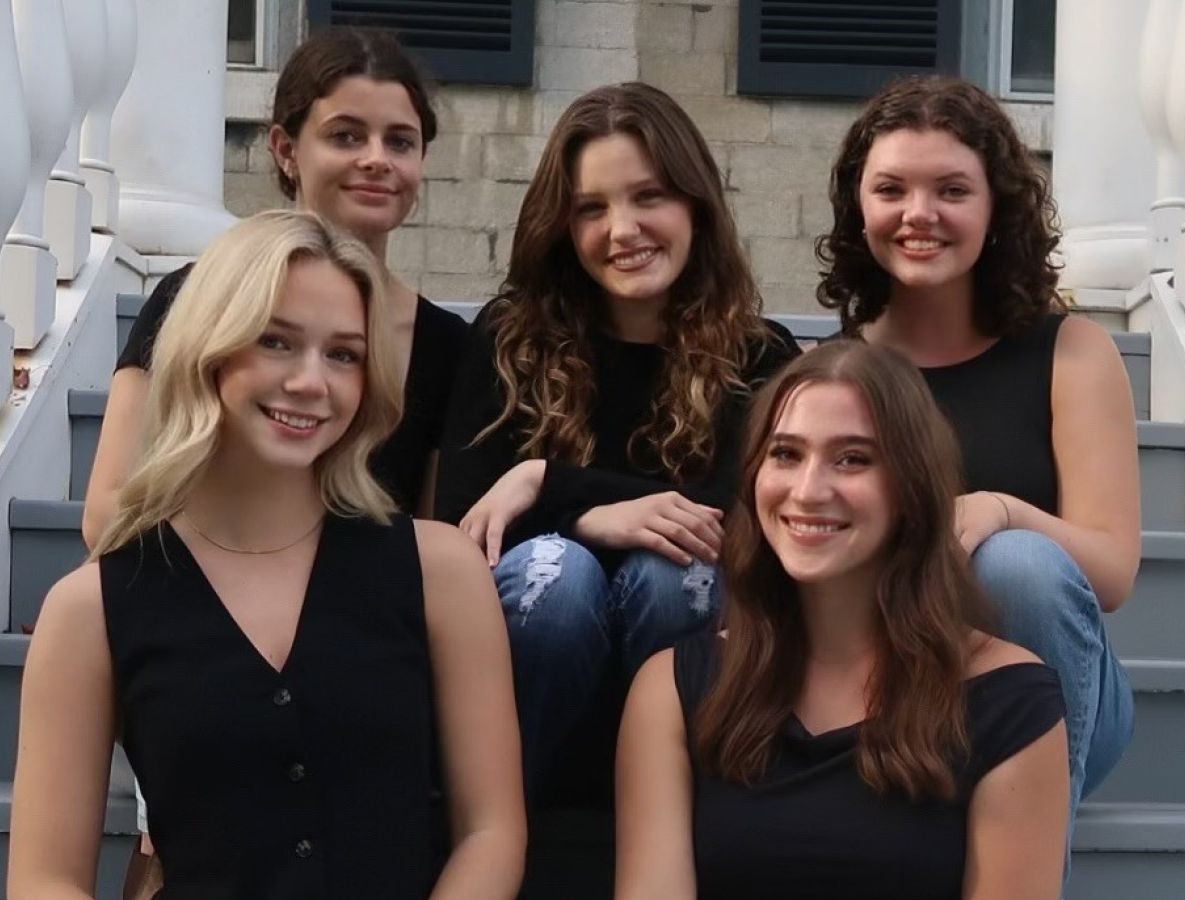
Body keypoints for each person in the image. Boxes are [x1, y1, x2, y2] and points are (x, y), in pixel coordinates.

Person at [7, 211, 525, 900]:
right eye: (276, 342)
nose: (312, 381)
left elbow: (492, 831)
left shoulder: (441, 571)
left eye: (343, 354)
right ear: (209, 351)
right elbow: (44, 881)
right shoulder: (90, 609)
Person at [434, 82, 801, 798]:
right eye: (591, 208)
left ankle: (672, 814)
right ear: (562, 227)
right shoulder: (510, 343)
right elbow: (460, 528)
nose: (623, 229)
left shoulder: (757, 357)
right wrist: (588, 518)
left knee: (679, 573)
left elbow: (742, 519)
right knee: (557, 574)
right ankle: (498, 820)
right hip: (525, 706)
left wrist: (548, 484)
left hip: (692, 695)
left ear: (695, 203)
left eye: (649, 196)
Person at [614, 341, 1069, 899]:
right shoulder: (674, 688)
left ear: (911, 488)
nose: (807, 491)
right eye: (785, 454)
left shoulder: (1011, 701)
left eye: (853, 458)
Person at [817, 74, 1140, 815]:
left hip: (1050, 680)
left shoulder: (1073, 353)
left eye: (952, 191)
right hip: (895, 680)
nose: (919, 214)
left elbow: (1113, 574)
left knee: (1020, 565)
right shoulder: (836, 372)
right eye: (892, 189)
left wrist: (1002, 509)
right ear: (859, 208)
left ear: (997, 208)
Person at [84, 26, 467, 544]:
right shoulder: (191, 298)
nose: (377, 158)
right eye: (346, 136)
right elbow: (109, 509)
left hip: (367, 616)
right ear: (286, 148)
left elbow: (432, 539)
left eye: (400, 141)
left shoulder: (448, 345)